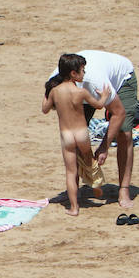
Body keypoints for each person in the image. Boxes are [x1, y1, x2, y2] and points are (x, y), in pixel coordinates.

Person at [43, 53, 112, 215]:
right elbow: (99, 105)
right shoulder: (80, 92)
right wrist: (104, 96)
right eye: (82, 71)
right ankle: (96, 185)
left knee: (70, 171)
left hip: (66, 135)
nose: (84, 74)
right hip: (81, 133)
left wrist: (46, 93)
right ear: (73, 74)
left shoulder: (55, 91)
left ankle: (74, 207)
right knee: (90, 162)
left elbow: (45, 109)